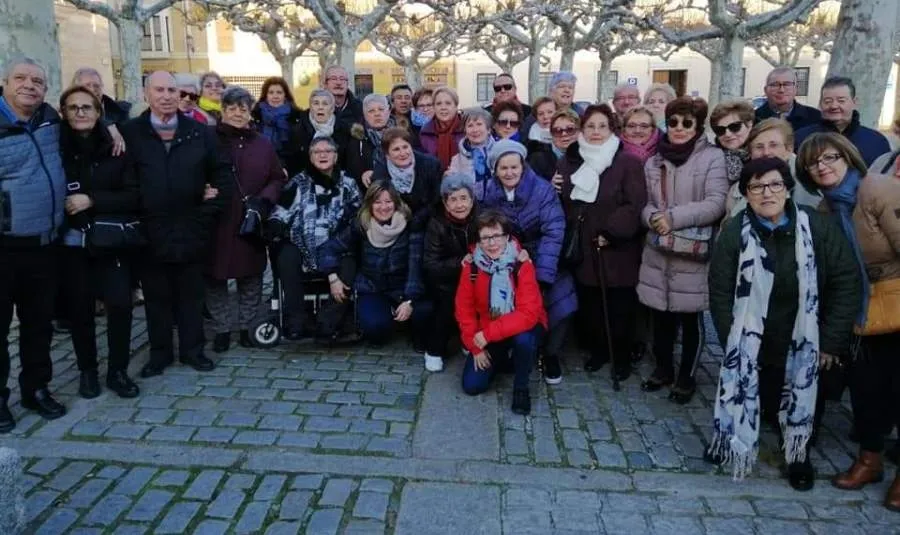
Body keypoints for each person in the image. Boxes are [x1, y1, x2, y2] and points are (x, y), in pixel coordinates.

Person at [708, 157, 860, 490]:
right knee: (757, 394)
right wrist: (731, 342)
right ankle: (732, 439)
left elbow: (846, 280)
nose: (766, 193)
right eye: (756, 187)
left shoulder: (817, 228)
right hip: (754, 338)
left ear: (788, 189)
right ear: (746, 194)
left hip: (806, 337)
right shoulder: (735, 231)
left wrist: (831, 341)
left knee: (803, 398)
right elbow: (719, 291)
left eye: (775, 184)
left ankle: (797, 453)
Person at [795, 133, 900, 511]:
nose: (822, 166)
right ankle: (870, 459)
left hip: (896, 294)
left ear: (848, 157)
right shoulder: (826, 211)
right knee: (867, 390)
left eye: (830, 157)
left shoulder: (876, 188)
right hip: (862, 308)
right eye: (813, 163)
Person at [120, 71, 231, 378]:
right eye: (160, 90)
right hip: (150, 230)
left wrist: (207, 211)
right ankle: (159, 354)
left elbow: (221, 175)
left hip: (192, 227)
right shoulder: (129, 133)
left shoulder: (200, 132)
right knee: (156, 298)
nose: (167, 95)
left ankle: (193, 350)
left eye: (172, 90)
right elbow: (124, 178)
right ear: (146, 94)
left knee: (192, 295)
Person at [637, 96, 729, 404]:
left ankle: (686, 376)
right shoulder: (654, 161)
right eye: (673, 122)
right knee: (660, 316)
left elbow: (715, 202)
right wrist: (651, 217)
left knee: (690, 318)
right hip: (659, 248)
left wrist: (672, 218)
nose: (678, 128)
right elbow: (647, 201)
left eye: (686, 122)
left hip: (691, 250)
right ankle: (663, 368)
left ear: (697, 125)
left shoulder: (712, 158)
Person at [57, 85, 142, 400]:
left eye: (87, 107)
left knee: (120, 305)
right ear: (63, 112)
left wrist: (91, 199)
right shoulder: (55, 147)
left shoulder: (117, 147)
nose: (80, 112)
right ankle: (87, 370)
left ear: (98, 113)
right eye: (73, 107)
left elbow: (133, 194)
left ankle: (117, 370)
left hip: (111, 241)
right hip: (71, 244)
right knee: (79, 310)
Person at [0, 57, 69, 430]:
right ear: (5, 82)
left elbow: (94, 112)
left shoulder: (50, 120)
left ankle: (36, 388)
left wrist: (113, 127)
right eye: (21, 78)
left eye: (38, 81)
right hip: (5, 246)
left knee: (38, 325)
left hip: (44, 244)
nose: (30, 85)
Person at [557, 104, 647, 380]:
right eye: (590, 126)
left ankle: (621, 357)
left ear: (612, 130)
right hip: (585, 245)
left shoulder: (627, 162)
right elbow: (567, 202)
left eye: (602, 126)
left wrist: (611, 231)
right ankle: (599, 351)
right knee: (592, 304)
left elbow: (635, 204)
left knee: (620, 306)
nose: (596, 132)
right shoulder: (570, 161)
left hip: (617, 247)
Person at [479, 140, 575, 385]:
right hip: (506, 255)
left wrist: (542, 272)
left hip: (541, 253)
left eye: (514, 167)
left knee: (559, 298)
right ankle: (506, 347)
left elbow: (554, 230)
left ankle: (550, 353)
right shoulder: (489, 191)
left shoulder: (542, 190)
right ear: (495, 170)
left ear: (523, 166)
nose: (509, 173)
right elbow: (485, 227)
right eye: (503, 168)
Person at [208, 86, 285, 353]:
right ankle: (221, 329)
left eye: (243, 108)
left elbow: (277, 177)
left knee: (251, 275)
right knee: (215, 276)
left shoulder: (262, 143)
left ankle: (246, 326)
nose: (238, 113)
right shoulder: (208, 138)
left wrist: (264, 199)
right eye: (232, 108)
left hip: (250, 217)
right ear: (223, 110)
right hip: (216, 217)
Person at [318, 181, 433, 351]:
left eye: (388, 201)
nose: (383, 207)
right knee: (376, 330)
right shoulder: (361, 225)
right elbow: (329, 248)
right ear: (370, 205)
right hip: (372, 287)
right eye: (377, 202)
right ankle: (384, 318)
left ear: (396, 203)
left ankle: (408, 321)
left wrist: (409, 299)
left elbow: (414, 265)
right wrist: (333, 277)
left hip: (402, 286)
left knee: (424, 313)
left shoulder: (410, 225)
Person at [269, 136, 361, 342]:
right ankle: (296, 319)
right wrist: (277, 226)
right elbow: (281, 212)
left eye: (327, 151)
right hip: (303, 246)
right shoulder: (297, 183)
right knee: (286, 255)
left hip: (337, 247)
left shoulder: (348, 184)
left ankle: (327, 323)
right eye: (317, 152)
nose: (322, 155)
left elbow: (358, 218)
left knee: (350, 264)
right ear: (310, 157)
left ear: (335, 156)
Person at [456, 210, 547, 414]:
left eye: (497, 236)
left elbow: (528, 314)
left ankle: (521, 388)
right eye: (486, 238)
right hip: (490, 327)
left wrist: (487, 335)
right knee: (472, 385)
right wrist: (475, 346)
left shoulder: (521, 264)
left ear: (507, 237)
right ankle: (504, 360)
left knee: (524, 340)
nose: (492, 243)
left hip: (521, 327)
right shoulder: (471, 267)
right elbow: (465, 310)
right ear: (478, 241)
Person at [423, 173, 479, 372]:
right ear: (445, 204)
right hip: (445, 281)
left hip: (476, 278)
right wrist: (459, 264)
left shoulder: (481, 218)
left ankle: (470, 342)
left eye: (464, 198)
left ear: (472, 200)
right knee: (448, 304)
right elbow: (430, 264)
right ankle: (434, 350)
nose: (459, 205)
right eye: (453, 200)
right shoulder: (437, 224)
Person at [726, 118, 821, 217]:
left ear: (789, 149)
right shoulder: (736, 190)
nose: (766, 152)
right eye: (759, 147)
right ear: (751, 153)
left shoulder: (808, 183)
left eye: (773, 145)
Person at [794, 76, 890, 167]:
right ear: (820, 104)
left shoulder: (876, 141)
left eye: (841, 101)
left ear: (854, 102)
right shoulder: (802, 138)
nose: (834, 106)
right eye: (828, 101)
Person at [372, 127, 441, 229]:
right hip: (395, 224)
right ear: (387, 155)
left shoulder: (431, 165)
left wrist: (417, 221)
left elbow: (436, 200)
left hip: (429, 222)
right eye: (396, 149)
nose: (403, 153)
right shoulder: (380, 174)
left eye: (405, 147)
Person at [251, 76, 304, 176]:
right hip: (261, 167)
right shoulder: (255, 116)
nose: (275, 96)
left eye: (279, 92)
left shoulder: (297, 116)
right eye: (271, 92)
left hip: (292, 168)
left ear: (285, 95)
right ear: (265, 95)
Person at [295, 89, 351, 176]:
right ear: (310, 108)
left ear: (332, 108)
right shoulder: (298, 130)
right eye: (316, 103)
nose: (320, 107)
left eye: (325, 104)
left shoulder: (345, 130)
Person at [345, 94, 394, 190]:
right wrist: (362, 174)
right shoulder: (356, 139)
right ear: (364, 115)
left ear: (388, 112)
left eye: (381, 109)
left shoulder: (402, 135)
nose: (377, 114)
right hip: (368, 190)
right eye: (371, 111)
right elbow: (352, 168)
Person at [755, 66, 822, 132]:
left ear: (796, 89)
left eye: (787, 84)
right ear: (766, 90)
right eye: (775, 85)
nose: (781, 90)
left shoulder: (815, 117)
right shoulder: (753, 119)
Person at [419, 86, 465, 171]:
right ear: (434, 107)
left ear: (456, 106)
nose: (443, 107)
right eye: (438, 104)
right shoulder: (425, 132)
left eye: (448, 103)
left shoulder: (466, 129)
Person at [528, 109, 580, 182]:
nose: (564, 134)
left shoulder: (587, 157)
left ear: (579, 132)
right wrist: (549, 186)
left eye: (570, 129)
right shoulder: (538, 159)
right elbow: (529, 188)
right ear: (551, 134)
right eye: (558, 130)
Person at [711, 100, 754, 184]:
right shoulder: (713, 160)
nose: (728, 134)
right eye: (720, 130)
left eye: (735, 127)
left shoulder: (764, 153)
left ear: (749, 124)